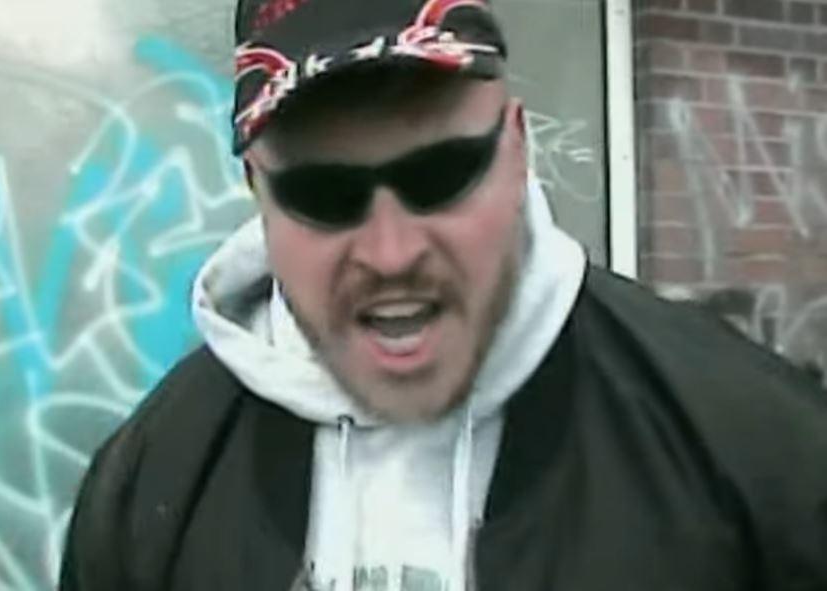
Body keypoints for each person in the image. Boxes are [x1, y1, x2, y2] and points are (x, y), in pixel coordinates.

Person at [59, 0, 827, 589]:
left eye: (440, 175)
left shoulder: (754, 451)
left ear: (517, 147)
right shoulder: (152, 482)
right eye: (324, 194)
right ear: (256, 191)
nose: (391, 253)